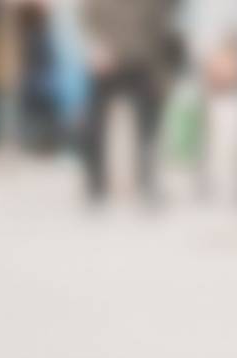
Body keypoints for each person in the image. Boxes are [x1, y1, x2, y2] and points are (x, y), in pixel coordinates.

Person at [78, 0, 182, 205]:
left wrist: (162, 69)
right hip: (107, 60)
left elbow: (162, 23)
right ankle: (96, 183)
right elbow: (89, 17)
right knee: (94, 124)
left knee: (148, 126)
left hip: (143, 61)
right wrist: (97, 47)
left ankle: (146, 181)